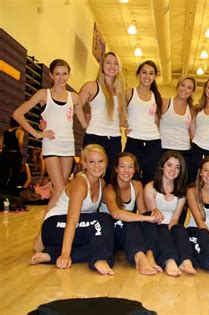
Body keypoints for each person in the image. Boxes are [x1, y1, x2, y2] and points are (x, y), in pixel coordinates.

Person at [30, 144, 115, 275]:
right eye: (91, 162)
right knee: (103, 220)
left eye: (100, 161)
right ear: (84, 164)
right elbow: (72, 219)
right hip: (54, 226)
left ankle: (52, 255)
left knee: (109, 242)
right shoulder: (80, 183)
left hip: (75, 227)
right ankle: (98, 259)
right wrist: (65, 254)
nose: (97, 166)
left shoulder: (101, 183)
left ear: (106, 163)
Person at [13, 59, 79, 209]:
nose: (61, 78)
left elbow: (83, 117)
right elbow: (18, 114)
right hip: (52, 145)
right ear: (51, 75)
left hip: (68, 146)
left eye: (64, 74)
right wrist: (36, 134)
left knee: (61, 191)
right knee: (61, 189)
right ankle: (44, 231)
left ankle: (52, 227)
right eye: (57, 74)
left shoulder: (74, 97)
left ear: (69, 75)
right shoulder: (44, 94)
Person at [100, 152, 163, 275]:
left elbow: (143, 211)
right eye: (122, 166)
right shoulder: (109, 190)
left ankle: (149, 254)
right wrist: (146, 218)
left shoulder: (137, 185)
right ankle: (139, 256)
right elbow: (116, 214)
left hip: (128, 234)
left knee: (148, 214)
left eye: (130, 166)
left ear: (135, 169)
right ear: (116, 169)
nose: (126, 170)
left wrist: (153, 214)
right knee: (128, 217)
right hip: (111, 233)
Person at [143, 151, 197, 276]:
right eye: (169, 165)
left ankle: (185, 260)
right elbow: (154, 216)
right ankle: (169, 260)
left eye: (177, 167)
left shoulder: (181, 193)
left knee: (179, 228)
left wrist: (171, 231)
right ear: (162, 166)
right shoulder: (150, 188)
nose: (173, 170)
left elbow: (174, 219)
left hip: (170, 227)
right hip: (154, 226)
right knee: (162, 228)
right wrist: (166, 231)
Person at [77, 52, 126, 183]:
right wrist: (84, 124)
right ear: (102, 65)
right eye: (108, 62)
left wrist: (129, 127)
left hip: (114, 138)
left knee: (110, 177)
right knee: (91, 176)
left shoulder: (120, 91)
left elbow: (120, 117)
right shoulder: (92, 86)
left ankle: (104, 203)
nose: (112, 66)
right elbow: (76, 105)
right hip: (95, 136)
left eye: (116, 63)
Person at [124, 60, 163, 184]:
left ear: (154, 76)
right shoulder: (129, 92)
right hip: (134, 141)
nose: (147, 76)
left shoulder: (156, 96)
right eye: (144, 72)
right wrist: (124, 125)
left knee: (151, 180)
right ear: (139, 74)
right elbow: (118, 112)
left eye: (151, 73)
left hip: (153, 142)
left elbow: (157, 121)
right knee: (130, 177)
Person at [160, 76, 196, 181]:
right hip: (164, 149)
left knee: (180, 185)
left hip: (184, 151)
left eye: (189, 87)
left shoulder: (192, 110)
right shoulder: (165, 102)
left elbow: (194, 135)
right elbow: (152, 123)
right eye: (183, 85)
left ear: (192, 92)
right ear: (177, 86)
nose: (185, 89)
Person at [0, 118, 25, 190]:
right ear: (20, 123)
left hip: (5, 154)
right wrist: (20, 151)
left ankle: (2, 189)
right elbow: (20, 142)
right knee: (15, 173)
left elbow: (1, 145)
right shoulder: (20, 132)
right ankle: (11, 189)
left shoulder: (5, 132)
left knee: (3, 173)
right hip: (15, 154)